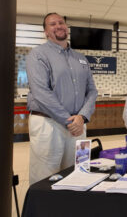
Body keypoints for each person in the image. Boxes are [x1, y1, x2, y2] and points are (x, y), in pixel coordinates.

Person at [26, 13, 97, 185]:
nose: (58, 26)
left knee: (80, 170)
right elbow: (41, 92)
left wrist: (81, 117)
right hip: (47, 125)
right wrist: (69, 121)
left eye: (61, 22)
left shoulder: (81, 58)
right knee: (45, 176)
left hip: (79, 125)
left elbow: (92, 91)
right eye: (52, 24)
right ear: (46, 32)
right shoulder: (37, 55)